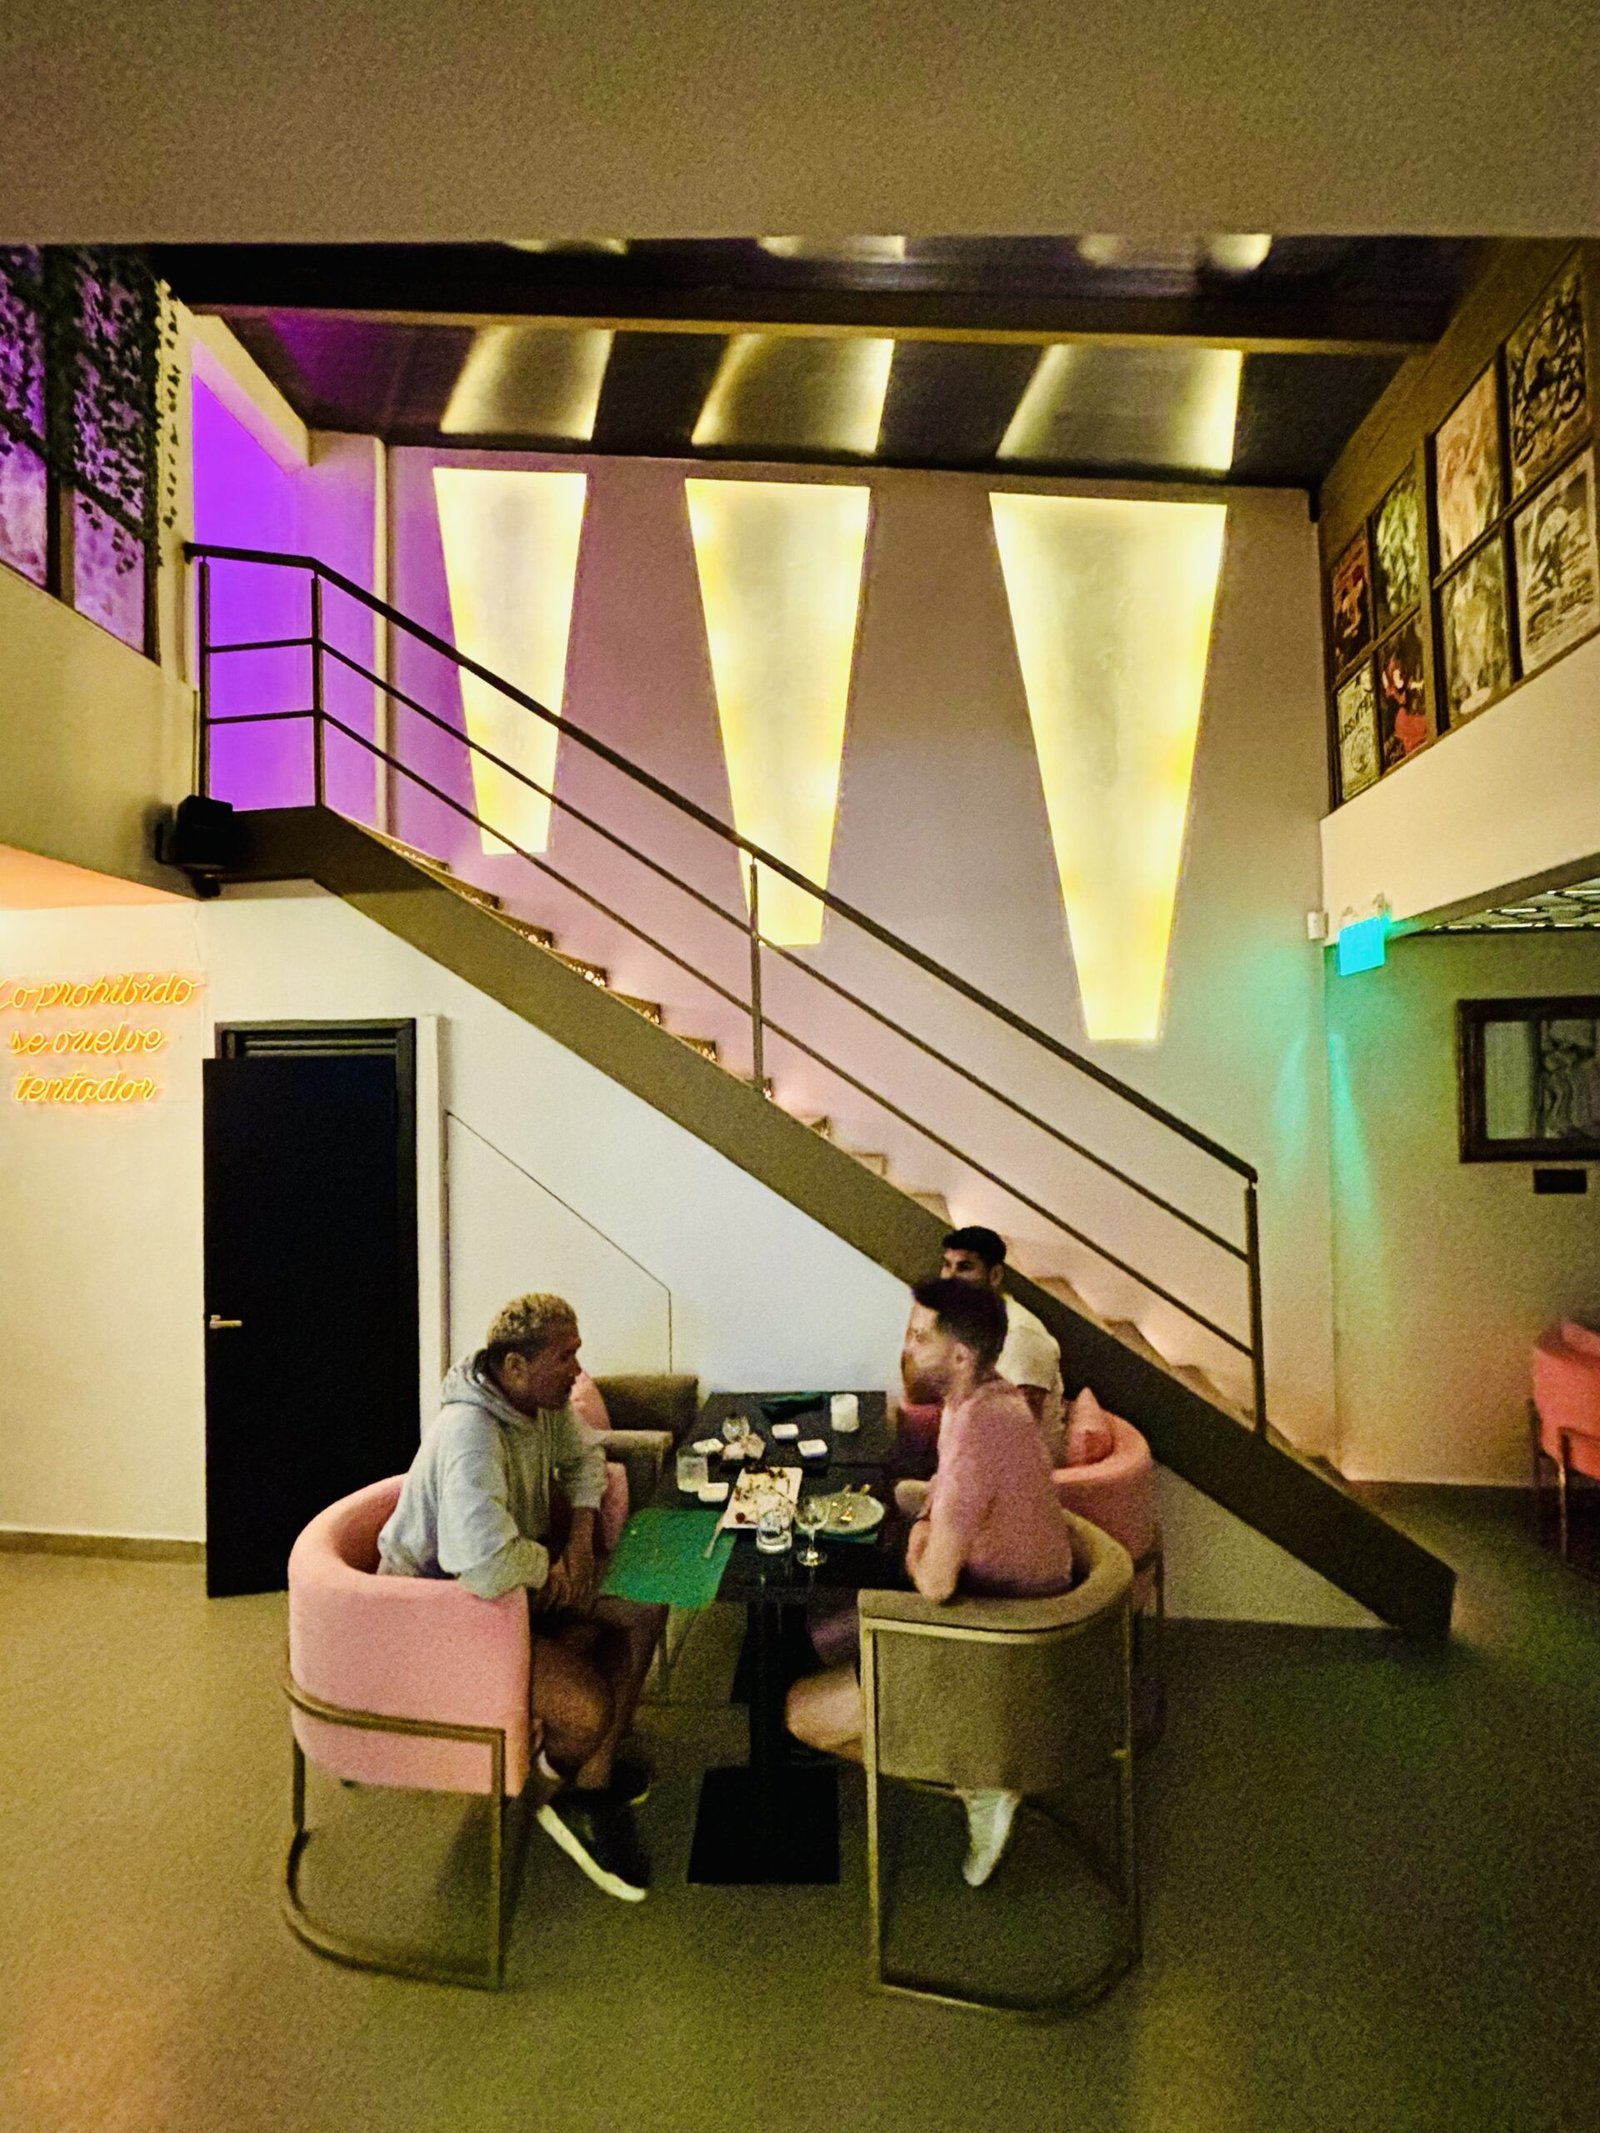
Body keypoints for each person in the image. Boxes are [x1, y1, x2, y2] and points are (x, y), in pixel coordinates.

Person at [786, 1278, 1075, 1887]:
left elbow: (937, 1584)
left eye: (920, 1337)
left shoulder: (976, 1433)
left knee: (799, 1714)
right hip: (1011, 1602)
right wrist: (921, 1512)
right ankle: (959, 1755)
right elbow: (950, 1497)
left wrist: (921, 1533)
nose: (907, 1347)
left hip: (998, 1638)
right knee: (821, 1634)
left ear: (961, 1356)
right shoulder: (988, 1400)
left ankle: (977, 1780)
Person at [377, 1293, 665, 1903]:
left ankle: (589, 1790)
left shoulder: (540, 1405)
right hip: (444, 1613)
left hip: (511, 1590)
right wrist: (549, 1569)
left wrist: (581, 1540)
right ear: (515, 1365)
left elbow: (586, 1458)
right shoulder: (470, 1434)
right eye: (565, 1356)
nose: (577, 1370)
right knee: (586, 1706)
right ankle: (536, 1802)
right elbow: (480, 1565)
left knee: (645, 1603)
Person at [939, 1225, 1065, 1464]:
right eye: (947, 1265)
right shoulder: (968, 1325)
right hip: (967, 1459)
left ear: (995, 1275)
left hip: (1010, 1472)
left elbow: (1016, 1438)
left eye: (965, 1267)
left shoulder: (1022, 1336)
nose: (950, 1278)